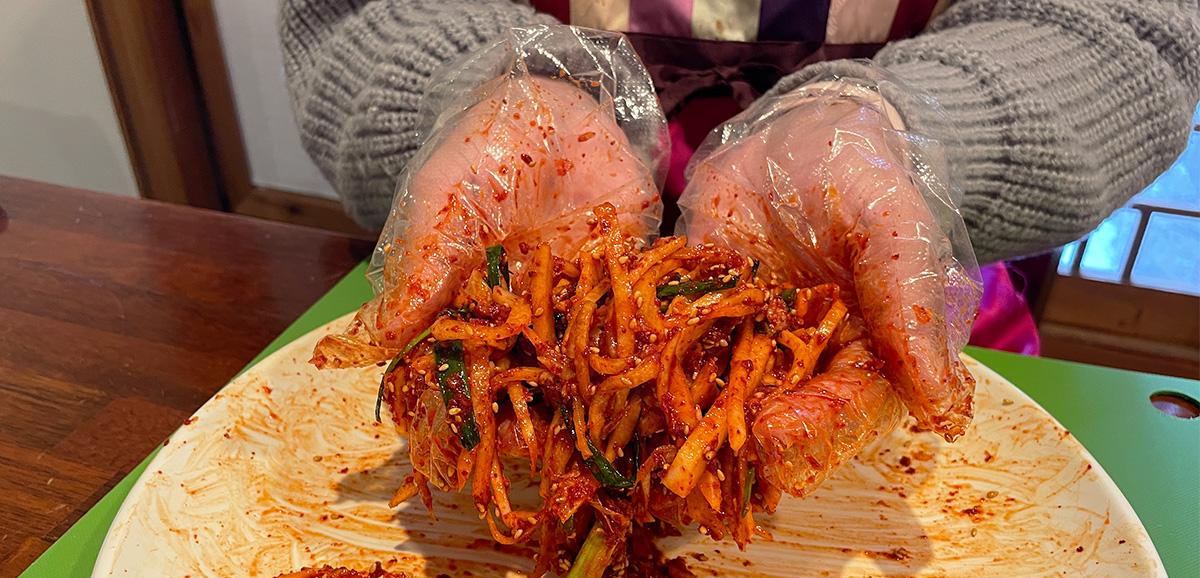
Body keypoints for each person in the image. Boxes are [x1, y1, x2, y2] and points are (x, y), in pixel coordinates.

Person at [279, 0, 1200, 361]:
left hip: (904, 290)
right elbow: (354, 15)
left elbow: (1131, 32)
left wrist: (899, 134)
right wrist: (488, 97)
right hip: (510, 277)